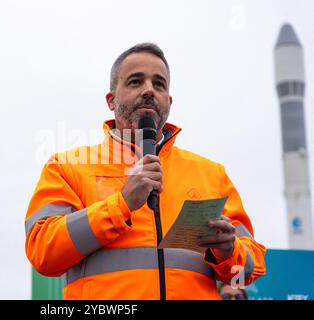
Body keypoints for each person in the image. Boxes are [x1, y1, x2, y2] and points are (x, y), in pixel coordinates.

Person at [24, 43, 266, 299]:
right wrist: (121, 205)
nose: (149, 90)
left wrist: (230, 252)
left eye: (159, 84)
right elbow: (42, 253)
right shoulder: (67, 166)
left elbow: (251, 267)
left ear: (169, 101)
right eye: (135, 81)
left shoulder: (211, 174)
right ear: (111, 99)